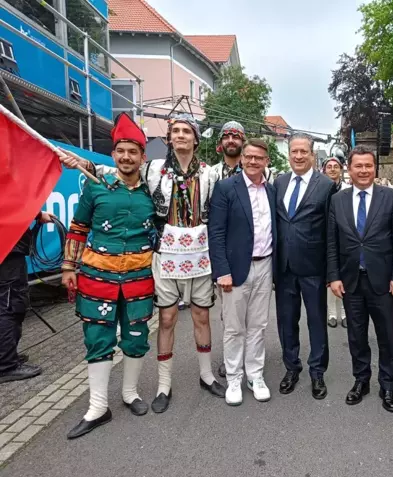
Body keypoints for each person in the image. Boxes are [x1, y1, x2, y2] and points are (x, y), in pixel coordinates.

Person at [63, 114, 226, 414]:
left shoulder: (210, 174)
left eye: (186, 131)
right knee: (166, 320)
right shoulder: (152, 170)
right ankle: (164, 384)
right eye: (175, 131)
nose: (180, 136)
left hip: (200, 255)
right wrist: (86, 165)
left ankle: (206, 375)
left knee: (202, 317)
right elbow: (120, 169)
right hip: (165, 256)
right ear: (168, 139)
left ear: (196, 138)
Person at [59, 114, 156, 439]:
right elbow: (78, 228)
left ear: (143, 156)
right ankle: (98, 406)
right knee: (98, 340)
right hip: (97, 279)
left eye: (133, 151)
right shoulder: (95, 185)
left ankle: (130, 393)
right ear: (113, 155)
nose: (127, 157)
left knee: (136, 338)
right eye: (121, 151)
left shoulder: (152, 191)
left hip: (139, 278)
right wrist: (68, 267)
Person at [327, 145, 393, 413]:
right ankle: (361, 381)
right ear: (348, 169)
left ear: (375, 168)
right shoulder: (337, 200)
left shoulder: (391, 197)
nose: (363, 170)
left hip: (384, 282)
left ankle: (387, 384)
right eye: (358, 166)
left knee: (386, 336)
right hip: (351, 281)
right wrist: (334, 277)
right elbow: (331, 243)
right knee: (356, 336)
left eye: (368, 166)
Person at [209, 139, 277, 406]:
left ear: (266, 161)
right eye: (248, 157)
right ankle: (234, 378)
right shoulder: (226, 188)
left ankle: (255, 375)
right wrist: (221, 271)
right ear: (242, 159)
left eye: (258, 158)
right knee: (235, 328)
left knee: (258, 326)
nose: (252, 161)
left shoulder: (271, 190)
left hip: (265, 265)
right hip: (235, 268)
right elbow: (215, 233)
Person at [274, 133, 335, 400]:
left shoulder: (326, 186)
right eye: (294, 152)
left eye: (303, 152)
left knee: (316, 321)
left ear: (312, 154)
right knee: (287, 321)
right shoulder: (279, 182)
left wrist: (332, 271)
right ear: (289, 155)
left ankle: (317, 371)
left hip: (313, 267)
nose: (298, 156)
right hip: (284, 267)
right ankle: (291, 367)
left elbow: (332, 232)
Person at [0, 213, 53, 383]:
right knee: (10, 306)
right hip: (7, 250)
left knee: (8, 304)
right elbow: (10, 201)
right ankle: (6, 365)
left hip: (8, 250)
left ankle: (7, 354)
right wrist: (36, 213)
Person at [322, 156, 350, 329]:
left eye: (335, 166)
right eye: (329, 166)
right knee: (331, 278)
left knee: (346, 277)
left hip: (345, 238)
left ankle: (346, 313)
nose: (332, 169)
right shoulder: (320, 189)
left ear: (340, 169)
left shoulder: (348, 189)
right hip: (326, 238)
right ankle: (332, 314)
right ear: (325, 169)